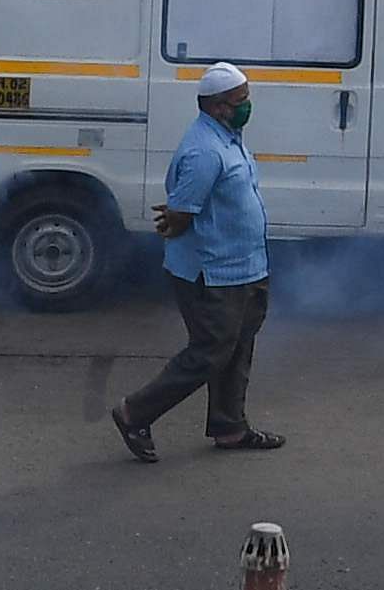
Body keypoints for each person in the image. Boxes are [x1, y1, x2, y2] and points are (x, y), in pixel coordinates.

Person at [113, 65, 279, 462]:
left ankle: (230, 427)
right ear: (218, 107)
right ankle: (135, 412)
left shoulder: (229, 138)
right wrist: (173, 219)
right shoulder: (204, 150)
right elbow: (182, 213)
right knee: (210, 351)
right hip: (213, 273)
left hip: (246, 267)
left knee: (238, 347)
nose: (248, 107)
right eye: (241, 101)